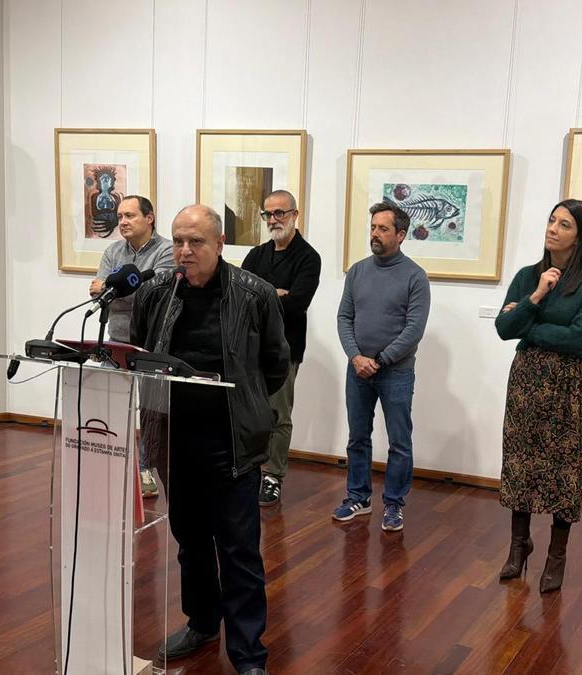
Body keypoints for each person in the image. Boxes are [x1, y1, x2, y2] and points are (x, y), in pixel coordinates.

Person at [130, 204, 289, 675]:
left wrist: (245, 408)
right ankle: (202, 622)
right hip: (176, 439)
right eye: (178, 241)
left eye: (195, 242)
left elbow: (275, 365)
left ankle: (248, 653)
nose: (184, 251)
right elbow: (141, 350)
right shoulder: (156, 293)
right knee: (190, 541)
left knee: (239, 550)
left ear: (219, 244)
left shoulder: (254, 294)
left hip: (233, 443)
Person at [494, 198, 582, 593]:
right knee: (520, 462)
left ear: (580, 238)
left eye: (564, 225)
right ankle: (518, 547)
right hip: (527, 382)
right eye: (551, 220)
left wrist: (529, 327)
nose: (552, 229)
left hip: (570, 386)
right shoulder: (529, 276)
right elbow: (502, 327)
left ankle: (556, 557)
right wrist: (536, 297)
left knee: (565, 468)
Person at [333, 201, 430, 532]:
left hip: (395, 373)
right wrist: (355, 357)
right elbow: (345, 317)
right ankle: (358, 497)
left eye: (383, 229)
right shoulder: (358, 271)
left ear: (401, 235)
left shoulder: (415, 277)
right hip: (357, 369)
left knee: (399, 441)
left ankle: (394, 504)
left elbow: (413, 329)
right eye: (373, 227)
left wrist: (379, 360)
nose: (375, 234)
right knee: (357, 437)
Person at [240, 189, 321, 506]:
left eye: (280, 213)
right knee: (247, 410)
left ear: (295, 215)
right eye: (268, 214)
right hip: (248, 347)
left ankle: (273, 476)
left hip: (285, 350)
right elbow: (239, 297)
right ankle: (248, 470)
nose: (273, 220)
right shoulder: (256, 255)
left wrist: (264, 295)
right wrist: (276, 294)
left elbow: (297, 303)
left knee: (278, 414)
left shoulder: (308, 257)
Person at [90, 195, 175, 497]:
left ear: (149, 218)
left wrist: (116, 291)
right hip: (115, 340)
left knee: (150, 412)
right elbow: (98, 294)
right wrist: (120, 290)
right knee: (108, 405)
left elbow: (154, 296)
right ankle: (109, 464)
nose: (122, 222)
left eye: (129, 216)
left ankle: (145, 470)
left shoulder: (167, 251)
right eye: (120, 216)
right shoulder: (113, 250)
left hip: (152, 343)